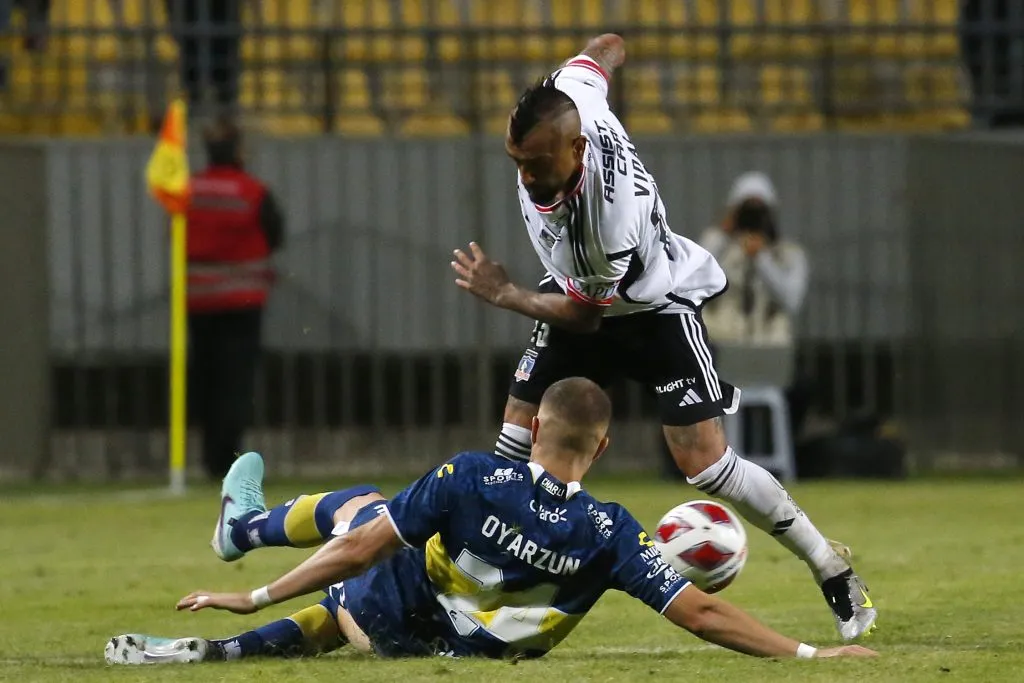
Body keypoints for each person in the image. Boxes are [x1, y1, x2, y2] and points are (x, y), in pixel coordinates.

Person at [448, 33, 875, 641]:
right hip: (576, 291)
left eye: (537, 163)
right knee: (515, 440)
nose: (527, 175)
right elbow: (604, 48)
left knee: (706, 466)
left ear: (576, 147)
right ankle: (468, 581)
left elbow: (586, 318)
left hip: (648, 310)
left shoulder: (604, 216)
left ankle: (828, 564)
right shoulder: (574, 98)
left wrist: (505, 293)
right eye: (517, 161)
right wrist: (610, 54)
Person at [105, 378, 876, 665]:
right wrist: (810, 654)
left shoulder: (473, 475)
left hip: (395, 614)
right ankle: (216, 651)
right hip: (466, 648)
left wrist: (256, 590)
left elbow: (357, 549)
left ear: (536, 427)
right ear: (603, 446)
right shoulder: (612, 531)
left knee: (363, 510)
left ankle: (241, 536)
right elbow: (702, 613)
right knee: (346, 602)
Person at [187, 115, 284, 479]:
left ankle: (209, 458)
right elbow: (274, 235)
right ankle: (228, 461)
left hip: (198, 302)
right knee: (236, 382)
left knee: (205, 381)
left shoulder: (190, 190)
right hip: (243, 302)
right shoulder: (252, 191)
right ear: (239, 151)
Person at [699, 172, 813, 436]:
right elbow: (694, 276)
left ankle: (785, 448)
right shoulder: (717, 247)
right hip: (722, 349)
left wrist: (761, 259)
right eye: (745, 210)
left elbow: (791, 301)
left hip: (770, 351)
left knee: (803, 387)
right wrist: (725, 232)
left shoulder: (788, 255)